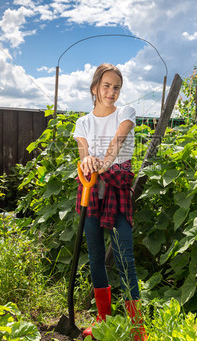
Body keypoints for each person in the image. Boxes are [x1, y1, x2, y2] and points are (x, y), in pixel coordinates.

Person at [73, 63, 147, 340]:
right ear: (95, 89)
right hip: (91, 192)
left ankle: (137, 327)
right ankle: (103, 321)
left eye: (116, 87)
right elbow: (83, 154)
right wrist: (88, 160)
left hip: (116, 192)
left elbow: (119, 139)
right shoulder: (83, 122)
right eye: (106, 86)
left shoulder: (125, 113)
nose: (111, 91)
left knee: (125, 257)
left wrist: (103, 162)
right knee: (95, 257)